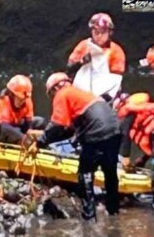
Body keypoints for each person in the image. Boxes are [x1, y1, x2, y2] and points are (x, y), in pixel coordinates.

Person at [31, 72, 121, 221]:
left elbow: (57, 125)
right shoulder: (81, 93)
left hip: (95, 132)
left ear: (55, 88)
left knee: (85, 174)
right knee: (110, 172)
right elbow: (69, 130)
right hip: (114, 129)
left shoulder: (62, 93)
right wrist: (47, 139)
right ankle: (114, 211)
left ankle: (89, 217)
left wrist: (39, 143)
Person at [67, 13, 126, 102]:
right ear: (91, 31)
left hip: (106, 93)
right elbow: (69, 69)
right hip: (82, 89)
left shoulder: (116, 50)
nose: (99, 36)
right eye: (96, 32)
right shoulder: (84, 45)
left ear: (110, 32)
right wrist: (82, 62)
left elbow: (116, 79)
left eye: (103, 32)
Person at [0, 74, 46, 144]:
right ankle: (23, 141)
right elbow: (4, 127)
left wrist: (31, 133)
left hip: (14, 126)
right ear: (12, 95)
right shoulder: (1, 102)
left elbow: (29, 122)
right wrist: (23, 137)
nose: (23, 101)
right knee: (8, 129)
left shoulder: (26, 100)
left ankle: (28, 140)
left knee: (40, 121)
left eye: (24, 99)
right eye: (20, 99)